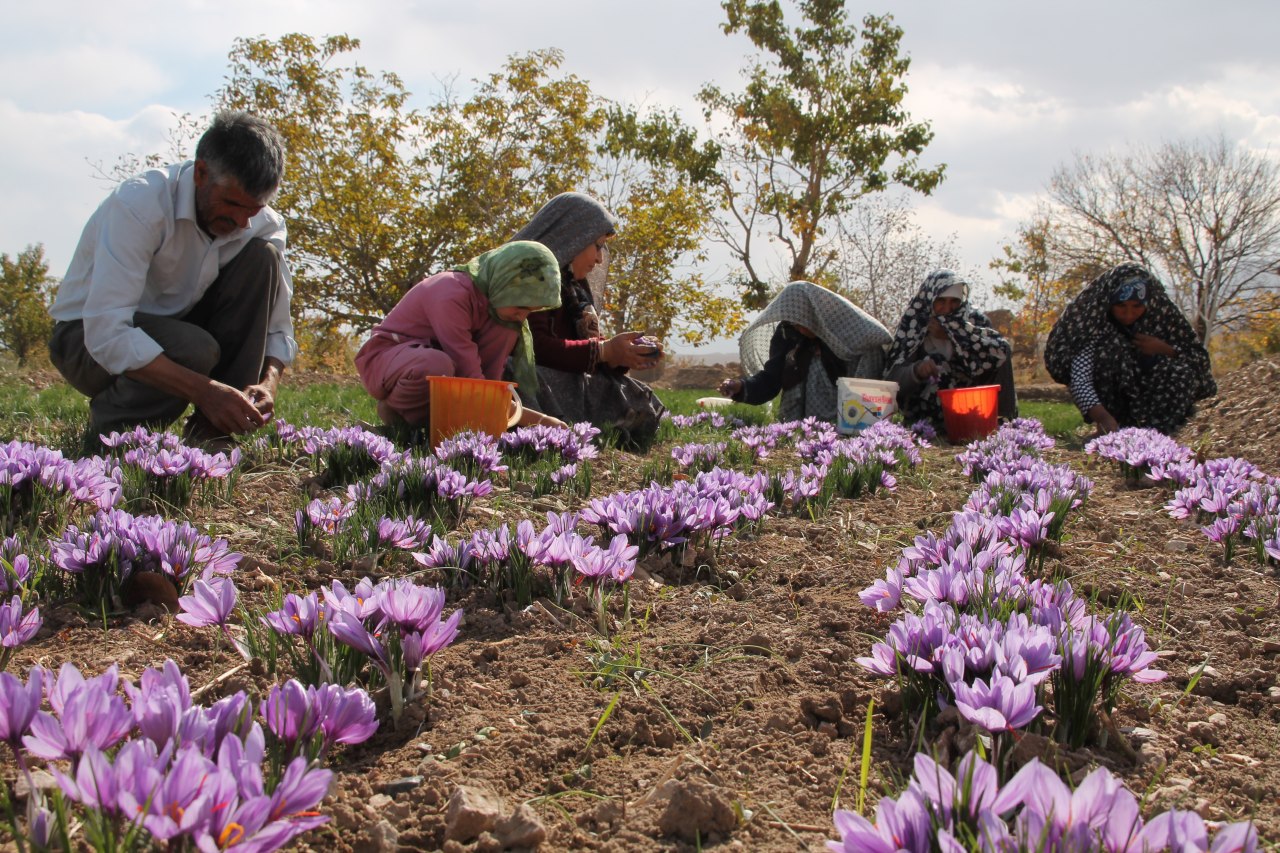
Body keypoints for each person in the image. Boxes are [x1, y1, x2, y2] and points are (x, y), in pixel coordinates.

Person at [48, 111, 296, 452]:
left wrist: (268, 384)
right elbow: (107, 332)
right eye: (231, 203)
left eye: (252, 209)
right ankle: (118, 430)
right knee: (193, 348)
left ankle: (214, 429)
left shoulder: (262, 224)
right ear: (200, 173)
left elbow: (278, 326)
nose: (241, 220)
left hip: (176, 328)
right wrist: (206, 390)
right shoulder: (139, 205)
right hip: (82, 339)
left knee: (262, 257)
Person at [355, 241, 567, 430]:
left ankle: (437, 426)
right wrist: (539, 420)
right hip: (387, 360)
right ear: (502, 285)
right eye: (521, 307)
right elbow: (470, 376)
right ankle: (397, 414)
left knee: (459, 364)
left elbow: (488, 388)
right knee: (436, 364)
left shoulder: (503, 320)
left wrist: (531, 421)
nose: (522, 318)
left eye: (530, 311)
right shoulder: (451, 292)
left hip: (445, 374)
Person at [511, 192, 667, 447]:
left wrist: (622, 354)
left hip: (566, 378)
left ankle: (589, 431)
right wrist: (604, 351)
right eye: (597, 245)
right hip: (528, 377)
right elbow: (534, 346)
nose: (599, 258)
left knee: (632, 391)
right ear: (573, 238)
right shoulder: (532, 277)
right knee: (529, 378)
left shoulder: (575, 290)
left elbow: (585, 349)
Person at [1045, 262, 1215, 435]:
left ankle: (1160, 431)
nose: (1128, 314)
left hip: (1156, 402)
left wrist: (1164, 349)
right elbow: (1080, 380)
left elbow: (1198, 361)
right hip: (1115, 411)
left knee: (1181, 371)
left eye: (1137, 306)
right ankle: (1114, 430)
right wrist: (1103, 418)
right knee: (1109, 351)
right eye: (1121, 306)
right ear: (1110, 302)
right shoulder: (1094, 325)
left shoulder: (1163, 318)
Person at [717, 281, 892, 421]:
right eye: (794, 323)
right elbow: (771, 380)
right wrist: (741, 387)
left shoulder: (854, 339)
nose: (799, 328)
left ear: (813, 314)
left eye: (801, 322)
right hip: (796, 427)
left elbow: (868, 396)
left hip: (842, 429)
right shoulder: (788, 334)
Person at [885, 270, 1016, 431]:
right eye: (941, 301)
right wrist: (917, 370)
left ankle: (1003, 420)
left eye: (954, 301)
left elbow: (1000, 352)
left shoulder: (975, 322)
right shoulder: (914, 324)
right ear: (930, 298)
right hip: (926, 408)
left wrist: (954, 337)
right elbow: (892, 379)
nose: (947, 308)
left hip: (971, 403)